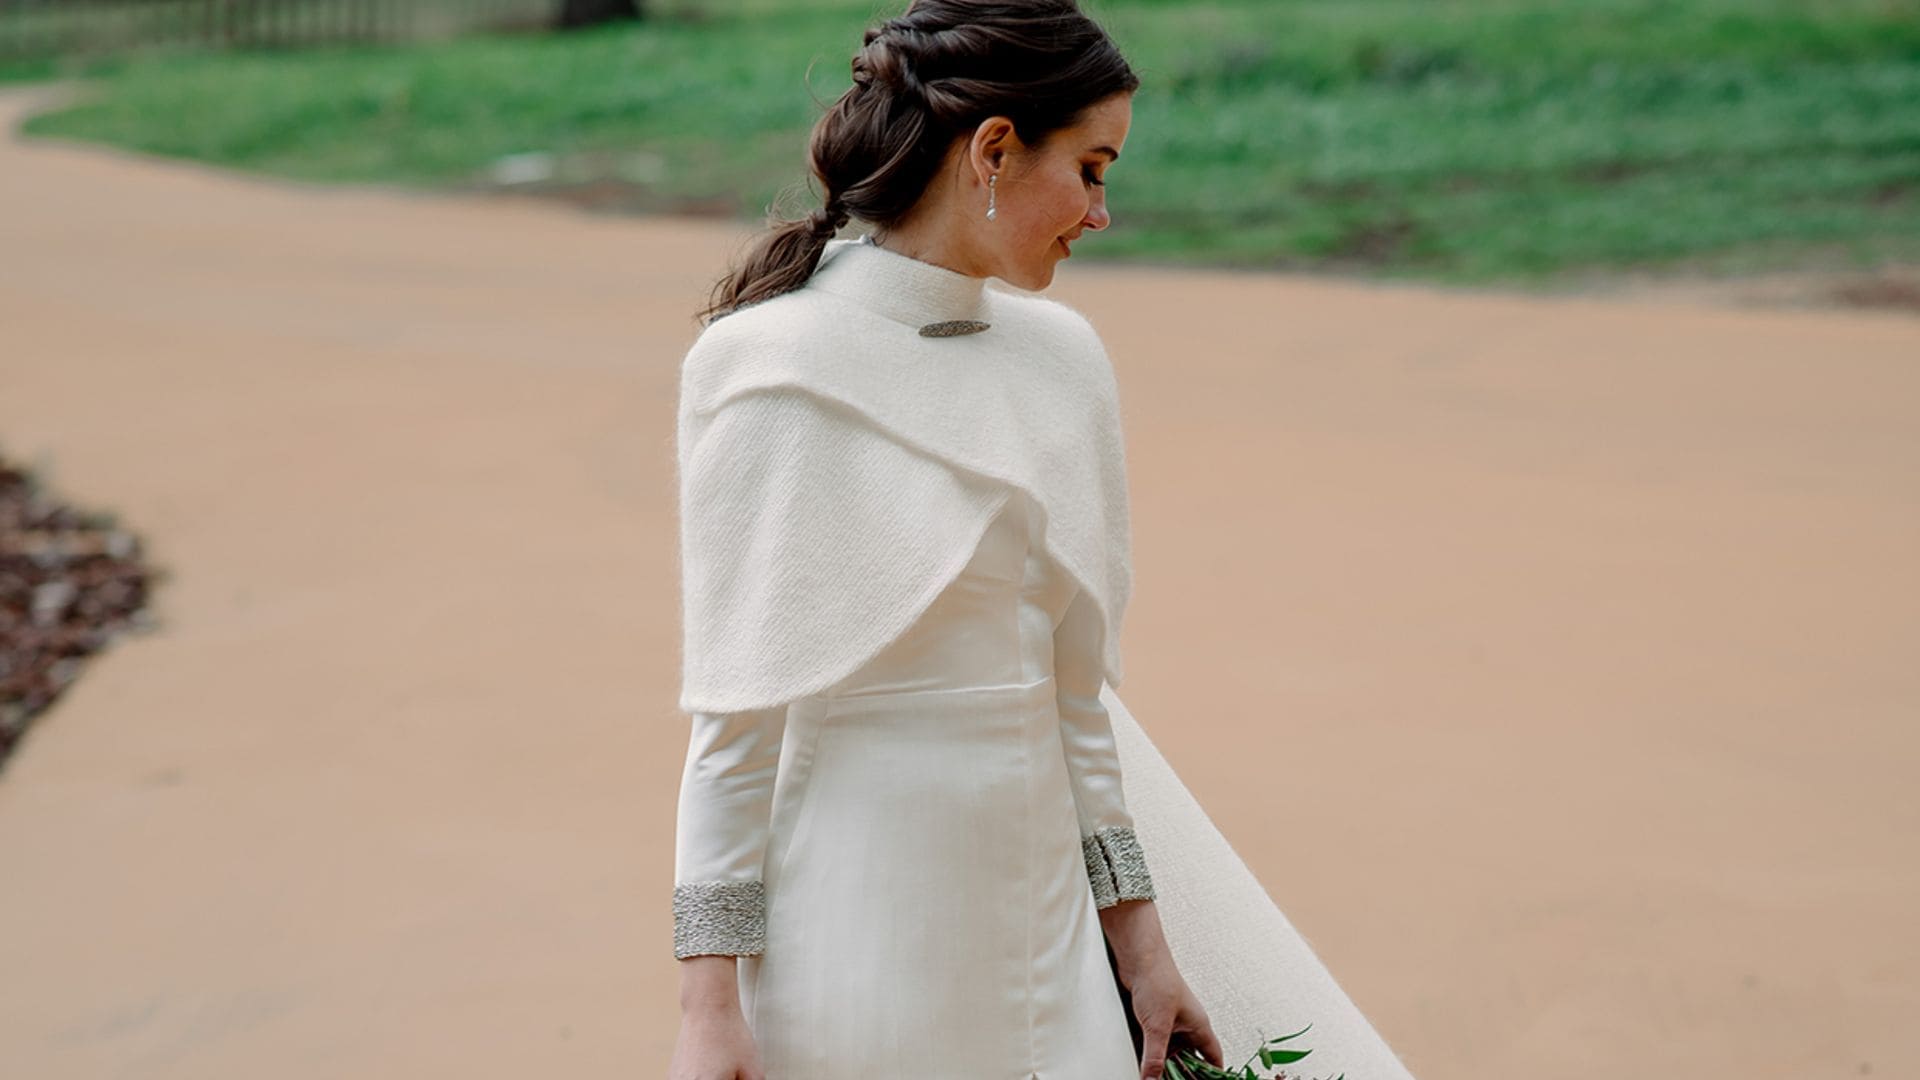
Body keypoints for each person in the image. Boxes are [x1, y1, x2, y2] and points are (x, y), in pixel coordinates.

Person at [668, 3, 1424, 1079]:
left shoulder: (1063, 358)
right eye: (1093, 167)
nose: (1101, 212)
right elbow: (734, 727)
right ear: (992, 150)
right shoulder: (772, 366)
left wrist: (1143, 950)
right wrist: (709, 1009)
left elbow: (1079, 704)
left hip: (1049, 929)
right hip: (858, 928)